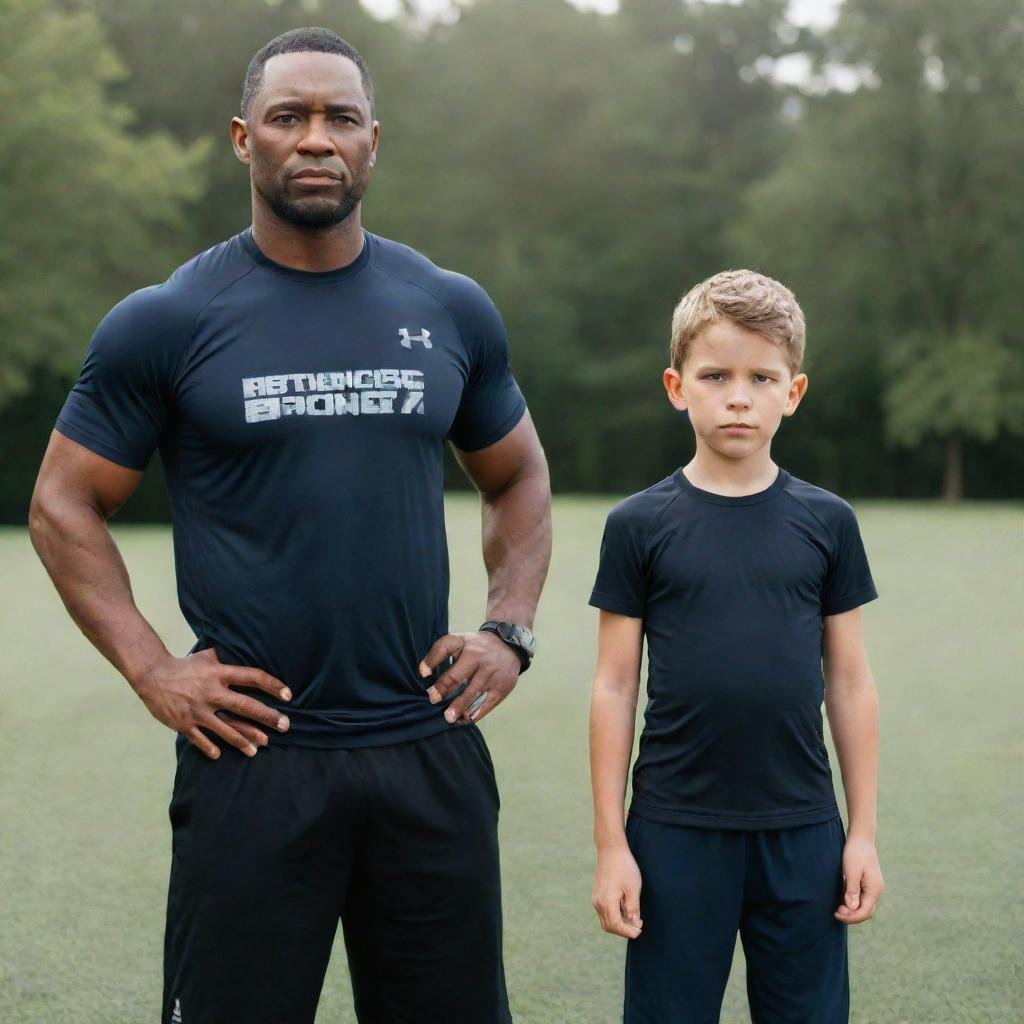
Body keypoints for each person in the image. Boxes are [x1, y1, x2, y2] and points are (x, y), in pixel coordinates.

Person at [29, 27, 550, 1024]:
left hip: (425, 744)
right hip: (254, 759)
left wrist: (508, 625)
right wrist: (150, 666)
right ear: (242, 140)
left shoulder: (445, 307)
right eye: (289, 117)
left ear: (372, 140)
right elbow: (63, 502)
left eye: (340, 118)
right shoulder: (167, 320)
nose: (317, 139)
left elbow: (518, 473)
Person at [588, 270, 883, 1022]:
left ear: (794, 391)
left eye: (762, 377)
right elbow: (615, 686)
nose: (738, 396)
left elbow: (848, 683)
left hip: (803, 830)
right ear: (676, 386)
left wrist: (862, 834)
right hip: (673, 830)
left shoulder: (828, 524)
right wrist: (612, 844)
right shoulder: (638, 526)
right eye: (715, 376)